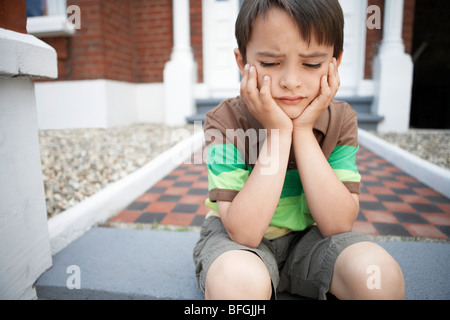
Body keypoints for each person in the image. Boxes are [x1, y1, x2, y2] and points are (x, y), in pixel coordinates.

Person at [193, 0, 405, 300]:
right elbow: (245, 232)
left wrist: (303, 131)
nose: (291, 82)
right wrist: (279, 134)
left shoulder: (341, 121)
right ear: (242, 62)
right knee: (237, 283)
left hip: (311, 240)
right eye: (269, 63)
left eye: (312, 64)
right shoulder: (224, 121)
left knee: (379, 276)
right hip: (237, 245)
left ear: (336, 61)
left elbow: (338, 225)